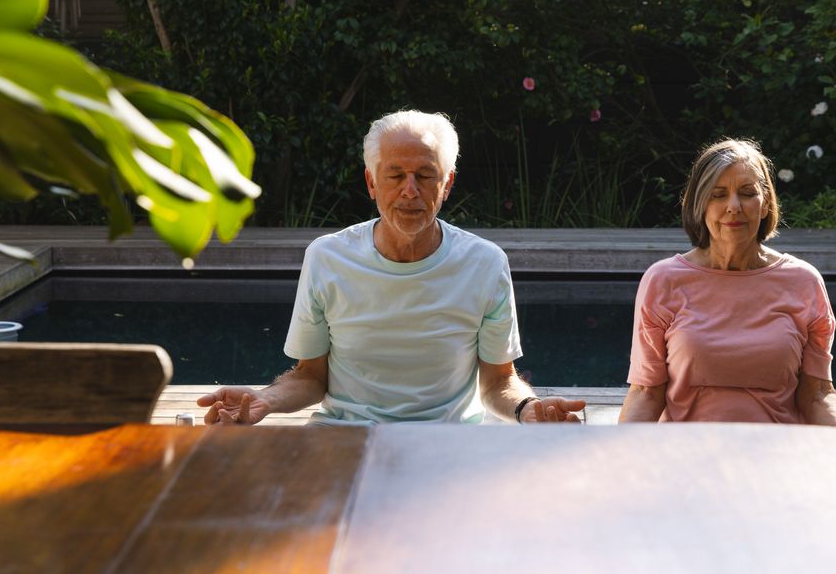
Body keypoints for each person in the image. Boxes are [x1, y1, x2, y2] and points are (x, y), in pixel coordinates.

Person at [198, 110, 585, 425]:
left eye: (425, 175)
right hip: (344, 438)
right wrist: (263, 401)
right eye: (395, 175)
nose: (410, 190)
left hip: (446, 445)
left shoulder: (485, 263)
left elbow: (499, 381)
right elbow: (310, 377)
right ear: (371, 182)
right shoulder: (327, 257)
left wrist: (528, 409)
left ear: (447, 184)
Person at [618, 138, 836, 426]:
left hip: (777, 455)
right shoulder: (663, 280)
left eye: (747, 192)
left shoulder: (803, 282)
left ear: (765, 204)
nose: (734, 206)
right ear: (698, 205)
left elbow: (817, 394)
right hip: (684, 456)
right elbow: (646, 393)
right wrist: (622, 459)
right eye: (718, 194)